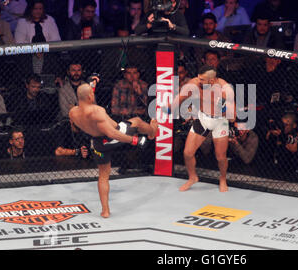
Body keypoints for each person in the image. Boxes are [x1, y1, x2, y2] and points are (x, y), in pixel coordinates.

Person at [69, 82, 158, 218]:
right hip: (112, 137)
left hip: (96, 143)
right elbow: (112, 134)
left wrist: (91, 86)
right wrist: (135, 140)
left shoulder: (73, 112)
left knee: (103, 175)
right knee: (138, 121)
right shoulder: (97, 112)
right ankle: (152, 132)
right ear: (89, 97)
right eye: (92, 93)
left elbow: (75, 127)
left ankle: (105, 211)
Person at [172, 64, 235, 192]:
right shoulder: (194, 83)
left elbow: (233, 117)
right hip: (203, 118)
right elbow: (180, 98)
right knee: (188, 153)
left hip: (219, 122)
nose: (198, 80)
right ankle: (192, 178)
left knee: (221, 157)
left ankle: (223, 179)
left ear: (211, 80)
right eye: (198, 77)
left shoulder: (225, 89)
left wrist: (223, 107)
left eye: (201, 79)